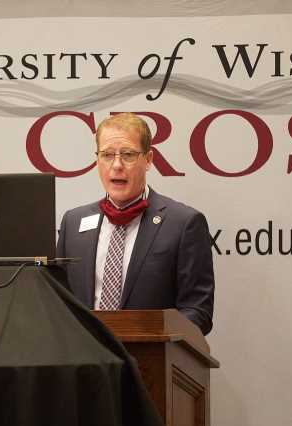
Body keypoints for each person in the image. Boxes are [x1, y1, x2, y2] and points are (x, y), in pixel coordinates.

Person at [56, 113, 214, 334]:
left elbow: (198, 311)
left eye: (128, 155)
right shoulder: (73, 223)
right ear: (97, 160)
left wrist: (157, 335)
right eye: (107, 155)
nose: (117, 165)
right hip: (87, 363)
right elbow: (59, 304)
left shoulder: (183, 224)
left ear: (148, 159)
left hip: (152, 361)